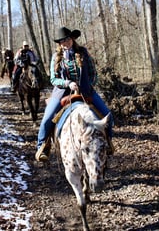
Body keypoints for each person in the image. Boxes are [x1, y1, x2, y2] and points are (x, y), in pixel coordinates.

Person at [35, 26, 114, 162]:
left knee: (108, 115)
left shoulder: (82, 52)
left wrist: (89, 84)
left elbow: (93, 73)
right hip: (62, 92)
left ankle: (107, 142)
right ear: (59, 43)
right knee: (47, 119)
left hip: (85, 90)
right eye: (62, 41)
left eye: (67, 39)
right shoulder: (56, 57)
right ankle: (42, 147)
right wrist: (68, 83)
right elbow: (53, 79)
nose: (65, 43)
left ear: (72, 39)